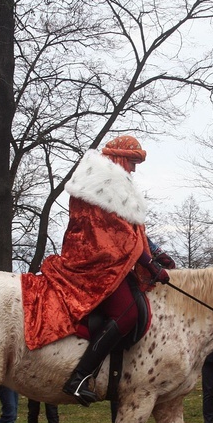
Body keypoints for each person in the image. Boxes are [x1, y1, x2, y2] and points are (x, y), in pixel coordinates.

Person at [27, 135, 170, 406]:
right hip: (96, 264)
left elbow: (133, 229)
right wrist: (150, 265)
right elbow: (117, 236)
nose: (133, 169)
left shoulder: (119, 186)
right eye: (131, 161)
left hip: (115, 262)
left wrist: (157, 252)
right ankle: (79, 377)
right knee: (127, 315)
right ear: (117, 159)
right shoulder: (102, 186)